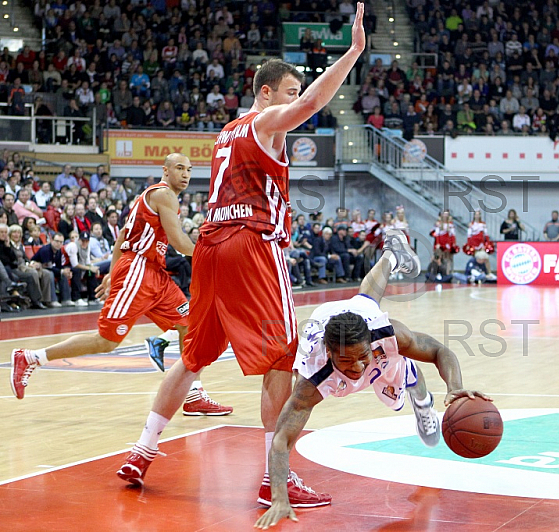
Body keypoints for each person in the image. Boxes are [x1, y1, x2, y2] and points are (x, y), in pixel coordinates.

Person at [114, 4, 415, 509]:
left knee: (192, 358)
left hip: (210, 246)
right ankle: (277, 474)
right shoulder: (264, 121)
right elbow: (315, 102)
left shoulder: (225, 132)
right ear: (266, 92)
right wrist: (353, 53)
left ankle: (142, 449)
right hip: (252, 244)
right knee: (283, 358)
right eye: (289, 92)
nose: (294, 103)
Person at [254, 247, 489, 528]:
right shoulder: (312, 379)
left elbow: (439, 351)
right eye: (346, 360)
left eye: (361, 357)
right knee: (366, 303)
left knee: (368, 302)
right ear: (329, 353)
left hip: (365, 326)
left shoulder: (386, 334)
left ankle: (421, 399)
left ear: (370, 343)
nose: (355, 367)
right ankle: (389, 256)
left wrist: (454, 387)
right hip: (326, 324)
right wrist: (280, 497)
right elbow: (281, 440)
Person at [10, 154, 231, 417]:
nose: (185, 174)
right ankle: (31, 357)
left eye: (189, 170)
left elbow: (123, 237)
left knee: (190, 324)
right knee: (106, 341)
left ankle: (193, 394)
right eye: (179, 168)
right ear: (166, 170)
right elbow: (178, 240)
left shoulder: (148, 197)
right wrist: (218, 255)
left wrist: (114, 272)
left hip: (151, 273)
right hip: (139, 270)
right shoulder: (164, 195)